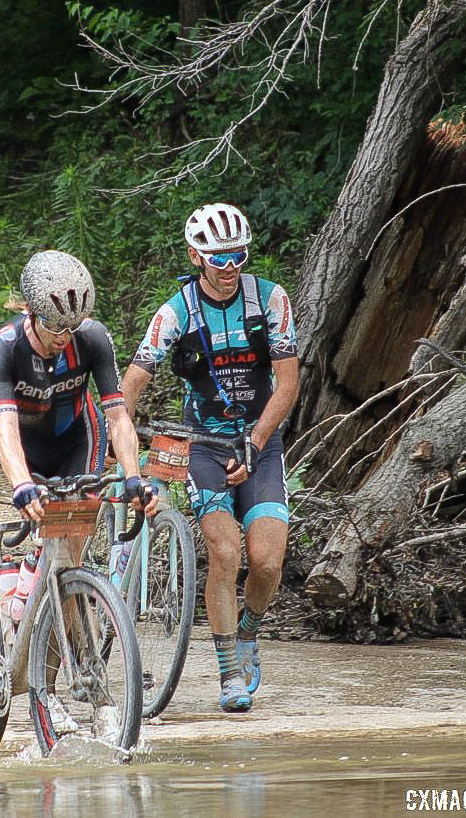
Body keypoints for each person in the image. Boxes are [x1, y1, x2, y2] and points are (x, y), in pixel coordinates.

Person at [121, 202, 299, 713]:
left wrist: (258, 439)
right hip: (203, 445)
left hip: (260, 444)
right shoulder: (176, 311)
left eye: (238, 256)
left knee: (266, 562)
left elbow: (287, 382)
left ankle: (249, 632)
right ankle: (229, 674)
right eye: (218, 258)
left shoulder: (271, 300)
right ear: (197, 256)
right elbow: (134, 380)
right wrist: (120, 433)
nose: (229, 268)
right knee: (224, 553)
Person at [0, 249, 157, 738]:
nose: (65, 338)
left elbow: (119, 416)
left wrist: (132, 475)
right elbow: (5, 429)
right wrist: (20, 482)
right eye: (56, 328)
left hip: (77, 442)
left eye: (72, 327)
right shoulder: (4, 348)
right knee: (45, 548)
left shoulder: (92, 338)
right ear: (30, 313)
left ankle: (73, 681)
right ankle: (43, 683)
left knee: (67, 561)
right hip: (28, 452)